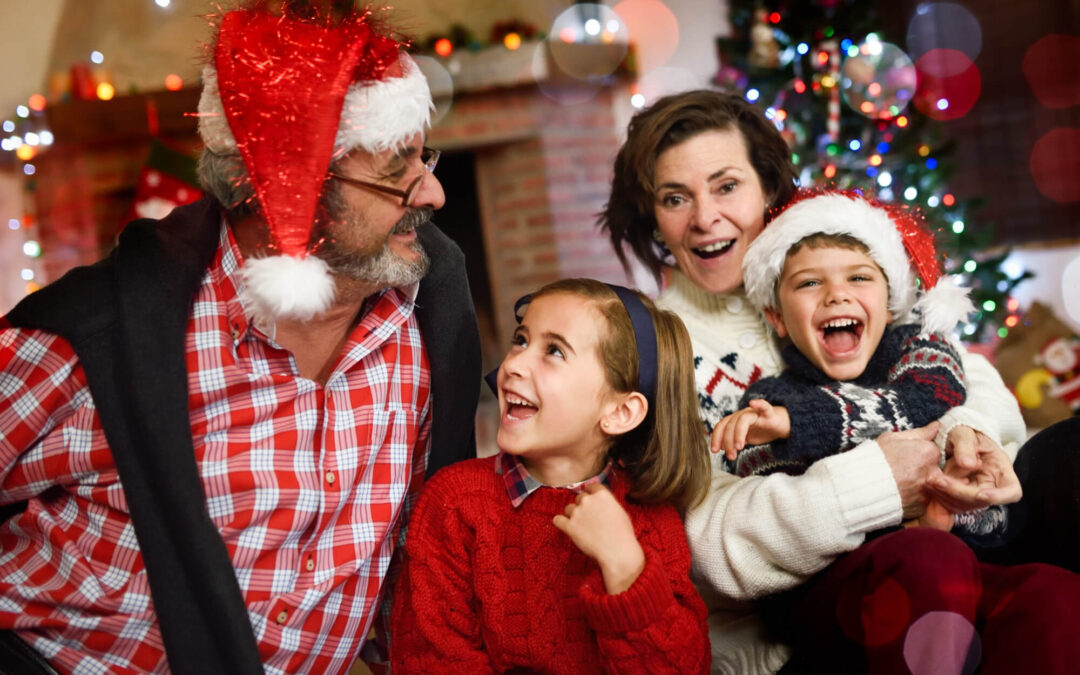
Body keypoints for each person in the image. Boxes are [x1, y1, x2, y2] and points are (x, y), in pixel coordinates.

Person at [0, 3, 480, 674]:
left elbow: (425, 568)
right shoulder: (98, 335)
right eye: (398, 169)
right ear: (291, 187)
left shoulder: (433, 312)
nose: (432, 192)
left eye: (421, 157)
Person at [600, 89, 1080, 674]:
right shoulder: (657, 348)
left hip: (947, 546)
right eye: (675, 198)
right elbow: (698, 549)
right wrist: (879, 478)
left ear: (769, 189)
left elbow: (964, 377)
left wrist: (961, 438)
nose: (704, 218)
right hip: (797, 627)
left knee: (1055, 572)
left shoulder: (831, 266)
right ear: (651, 215)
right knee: (928, 564)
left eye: (727, 186)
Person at [390, 279, 711, 674]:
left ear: (620, 413)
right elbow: (429, 659)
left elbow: (683, 667)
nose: (513, 364)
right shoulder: (454, 502)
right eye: (521, 340)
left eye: (554, 351)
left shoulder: (649, 517)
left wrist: (627, 568)